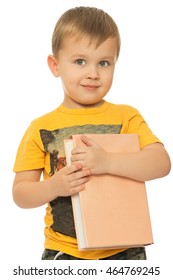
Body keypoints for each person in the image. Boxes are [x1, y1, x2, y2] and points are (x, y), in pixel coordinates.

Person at [12, 6, 171, 260]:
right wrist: (54, 185)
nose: (93, 74)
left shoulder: (126, 116)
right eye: (79, 61)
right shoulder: (40, 127)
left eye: (104, 63)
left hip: (125, 250)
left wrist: (108, 161)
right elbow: (20, 193)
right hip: (63, 252)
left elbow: (161, 163)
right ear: (55, 65)